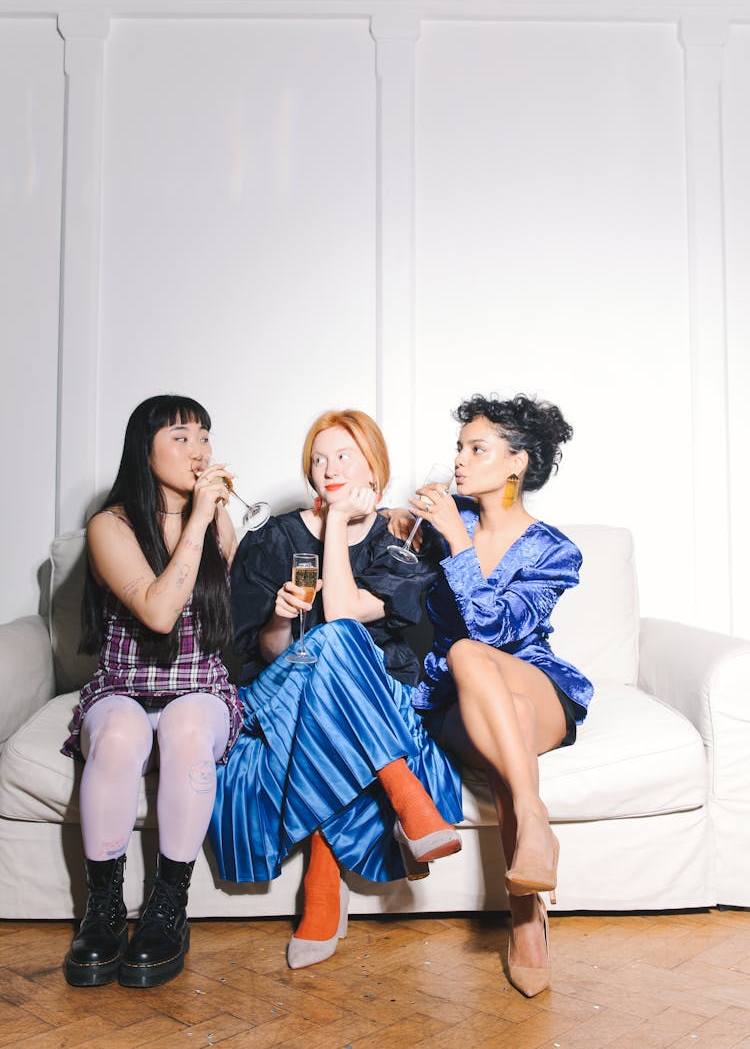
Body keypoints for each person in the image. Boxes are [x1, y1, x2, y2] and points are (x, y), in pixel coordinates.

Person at [208, 409, 464, 968]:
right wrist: (279, 620)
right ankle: (405, 796)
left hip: (373, 696)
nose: (328, 469)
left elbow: (345, 611)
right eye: (318, 459)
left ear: (373, 465)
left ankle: (323, 881)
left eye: (343, 456)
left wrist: (341, 526)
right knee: (324, 643)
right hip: (285, 691)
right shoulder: (274, 537)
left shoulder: (401, 539)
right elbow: (264, 653)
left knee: (337, 639)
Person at [406, 393, 594, 997]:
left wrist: (458, 544)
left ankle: (529, 856)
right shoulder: (437, 525)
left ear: (518, 462)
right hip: (464, 703)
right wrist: (386, 525)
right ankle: (527, 919)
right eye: (459, 447)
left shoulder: (554, 551)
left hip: (531, 681)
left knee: (474, 653)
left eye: (477, 448)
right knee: (481, 686)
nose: (459, 460)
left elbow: (493, 631)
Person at [62, 394, 243, 989]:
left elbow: (234, 612)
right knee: (117, 735)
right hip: (124, 685)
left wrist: (215, 518)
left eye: (204, 437)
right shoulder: (109, 526)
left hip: (200, 686)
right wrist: (196, 518)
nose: (200, 451)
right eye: (181, 437)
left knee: (188, 728)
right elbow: (158, 613)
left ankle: (169, 908)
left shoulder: (218, 516)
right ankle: (105, 908)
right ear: (146, 450)